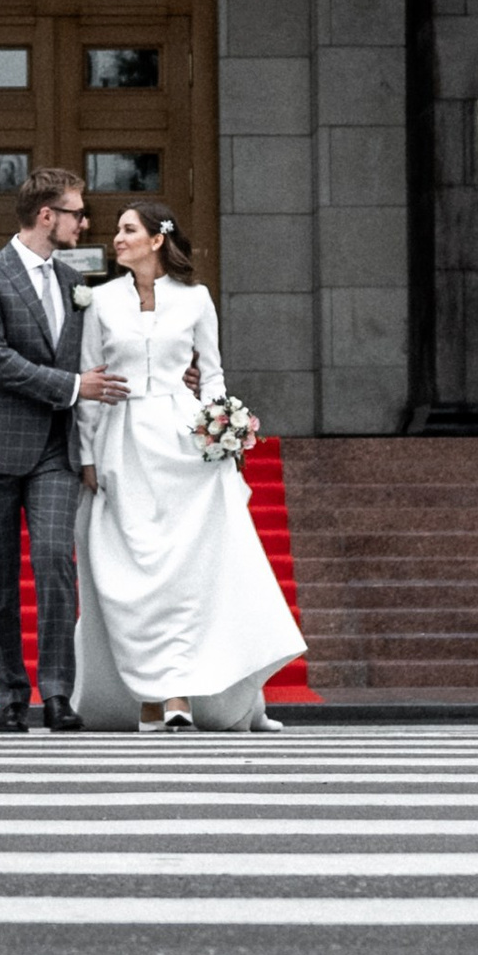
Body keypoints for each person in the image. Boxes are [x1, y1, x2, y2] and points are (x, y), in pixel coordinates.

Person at [72, 197, 305, 731]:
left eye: (128, 230)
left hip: (184, 442)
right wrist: (87, 454)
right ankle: (148, 697)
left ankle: (184, 699)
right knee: (131, 575)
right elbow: (91, 381)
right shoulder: (102, 302)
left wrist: (221, 428)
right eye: (117, 231)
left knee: (192, 573)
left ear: (157, 240)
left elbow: (214, 374)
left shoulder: (196, 299)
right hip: (123, 441)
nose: (117, 238)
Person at [0, 162, 128, 734]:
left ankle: (56, 693)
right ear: (47, 216)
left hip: (55, 445)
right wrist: (74, 387)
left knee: (55, 560)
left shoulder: (78, 280)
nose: (86, 221)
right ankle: (9, 696)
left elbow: (104, 343)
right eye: (77, 212)